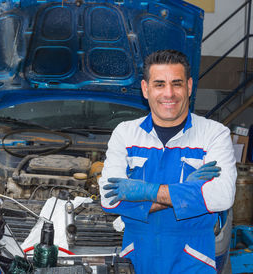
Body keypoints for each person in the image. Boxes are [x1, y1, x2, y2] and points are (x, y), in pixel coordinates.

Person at [99, 49, 237, 274]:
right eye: (160, 84)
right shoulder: (125, 133)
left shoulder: (214, 134)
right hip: (136, 258)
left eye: (177, 83)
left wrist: (145, 191)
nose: (169, 93)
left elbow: (221, 197)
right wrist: (188, 192)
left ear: (189, 87)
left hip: (193, 259)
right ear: (146, 89)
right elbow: (109, 200)